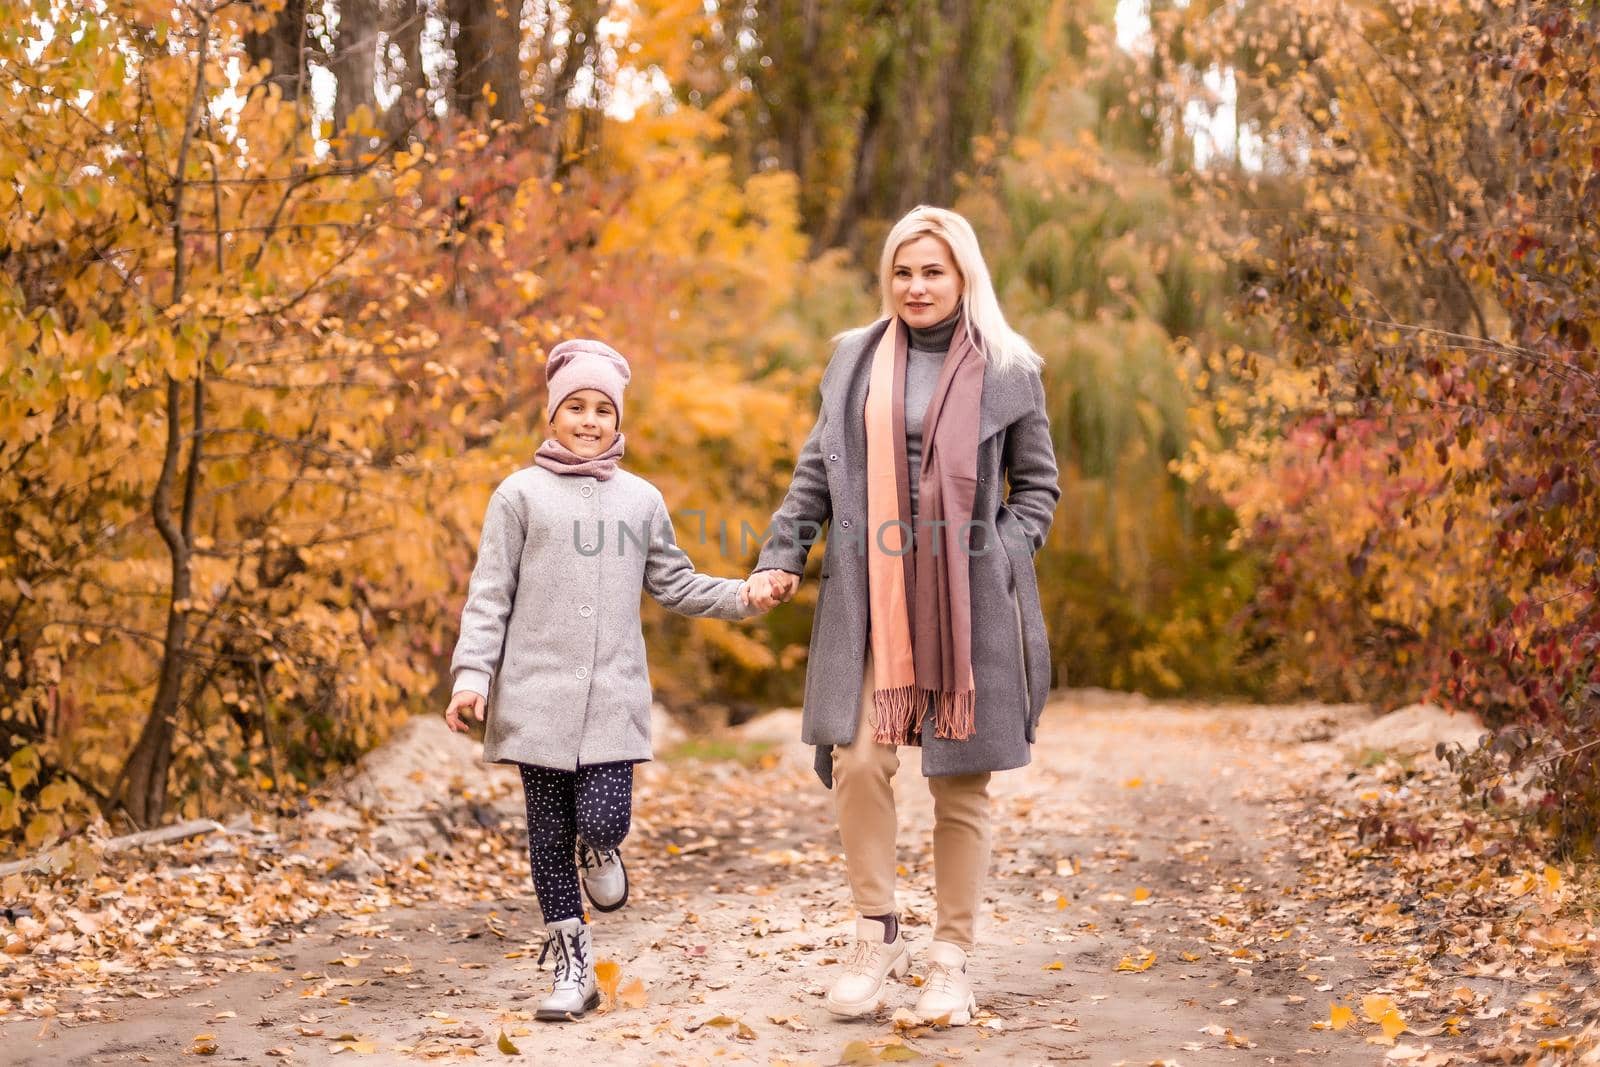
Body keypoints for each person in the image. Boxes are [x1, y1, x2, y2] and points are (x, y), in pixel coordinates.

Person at [750, 206, 1060, 1024]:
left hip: (966, 606)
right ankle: (876, 929)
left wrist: (998, 553)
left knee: (960, 783)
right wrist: (782, 554)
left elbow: (1037, 488)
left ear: (963, 278)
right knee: (856, 758)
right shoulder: (854, 360)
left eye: (932, 272)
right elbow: (814, 470)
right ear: (887, 277)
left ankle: (951, 958)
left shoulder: (1009, 368)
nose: (916, 286)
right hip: (871, 591)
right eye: (903, 271)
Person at [444, 339, 772, 1022]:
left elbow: (674, 582)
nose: (589, 420)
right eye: (575, 406)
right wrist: (472, 676)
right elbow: (489, 594)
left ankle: (602, 847)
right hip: (534, 700)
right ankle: (573, 967)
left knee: (600, 817)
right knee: (545, 834)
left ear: (618, 420)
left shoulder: (640, 500)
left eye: (602, 409)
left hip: (613, 697)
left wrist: (741, 594)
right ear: (552, 412)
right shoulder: (519, 495)